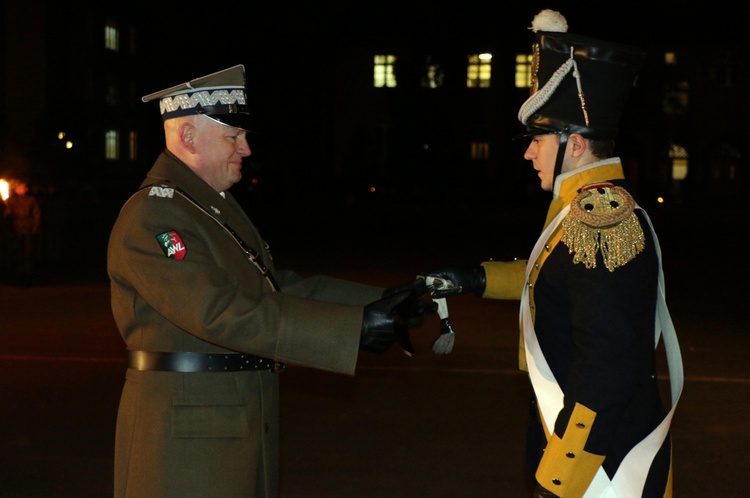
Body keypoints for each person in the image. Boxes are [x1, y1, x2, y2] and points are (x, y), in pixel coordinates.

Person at [106, 65, 430, 497]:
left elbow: (273, 287)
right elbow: (218, 311)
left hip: (225, 426)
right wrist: (354, 330)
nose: (246, 147)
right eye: (233, 136)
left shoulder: (207, 206)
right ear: (188, 137)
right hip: (187, 439)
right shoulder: (155, 214)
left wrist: (383, 301)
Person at [424, 10, 683, 498]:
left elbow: (607, 368)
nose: (528, 154)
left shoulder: (601, 217)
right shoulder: (581, 206)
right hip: (581, 437)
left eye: (537, 141)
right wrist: (474, 279)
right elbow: (559, 276)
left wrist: (562, 475)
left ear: (576, 143)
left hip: (603, 460)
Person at [3, 181, 41, 284]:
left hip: (28, 229)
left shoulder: (31, 200)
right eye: (21, 188)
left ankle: (28, 274)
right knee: (17, 251)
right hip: (16, 229)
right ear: (16, 190)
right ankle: (18, 274)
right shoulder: (11, 201)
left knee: (28, 252)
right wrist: (7, 213)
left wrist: (34, 228)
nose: (24, 189)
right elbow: (7, 216)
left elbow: (36, 214)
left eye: (25, 188)